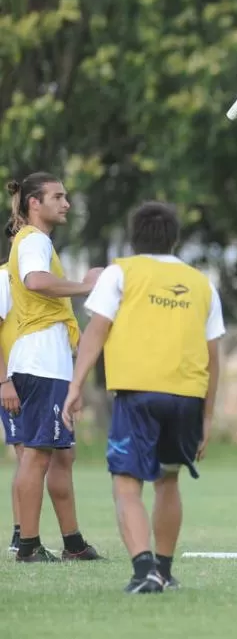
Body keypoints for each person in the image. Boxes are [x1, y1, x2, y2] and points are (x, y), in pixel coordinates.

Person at [63, 201, 226, 594]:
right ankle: (165, 571)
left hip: (138, 392)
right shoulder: (202, 283)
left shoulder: (120, 273)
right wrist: (207, 416)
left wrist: (75, 387)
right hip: (187, 394)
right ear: (174, 239)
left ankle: (143, 571)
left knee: (127, 482)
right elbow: (213, 356)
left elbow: (96, 333)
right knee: (168, 481)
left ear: (133, 239)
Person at [4, 172, 103, 563]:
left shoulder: (38, 241)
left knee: (61, 455)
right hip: (39, 360)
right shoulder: (33, 240)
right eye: (58, 197)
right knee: (37, 454)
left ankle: (73, 544)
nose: (66, 204)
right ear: (34, 203)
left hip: (52, 362)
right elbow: (34, 280)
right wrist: (85, 286)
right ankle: (27, 545)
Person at [1, 223, 23, 552]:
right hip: (15, 381)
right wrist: (4, 381)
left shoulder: (44, 279)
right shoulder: (5, 277)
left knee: (61, 458)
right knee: (26, 457)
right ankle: (22, 534)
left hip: (47, 376)